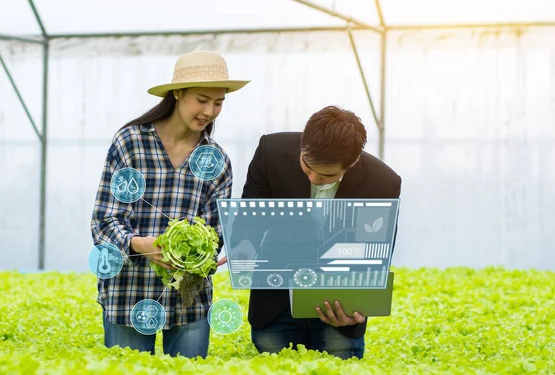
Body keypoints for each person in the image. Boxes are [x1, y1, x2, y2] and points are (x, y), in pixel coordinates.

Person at [90, 51, 249, 358]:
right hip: (129, 295)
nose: (210, 111)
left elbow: (214, 233)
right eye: (202, 100)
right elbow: (104, 220)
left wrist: (205, 258)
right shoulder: (131, 142)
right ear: (177, 93)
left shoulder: (216, 160)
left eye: (218, 103)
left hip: (188, 302)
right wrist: (139, 244)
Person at [219, 105, 401, 360]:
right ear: (303, 144)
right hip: (275, 305)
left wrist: (357, 310)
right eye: (307, 166)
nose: (314, 178)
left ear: (352, 162)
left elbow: (373, 258)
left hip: (339, 311)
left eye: (327, 175)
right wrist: (243, 247)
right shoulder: (271, 152)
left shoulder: (382, 182)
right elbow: (249, 222)